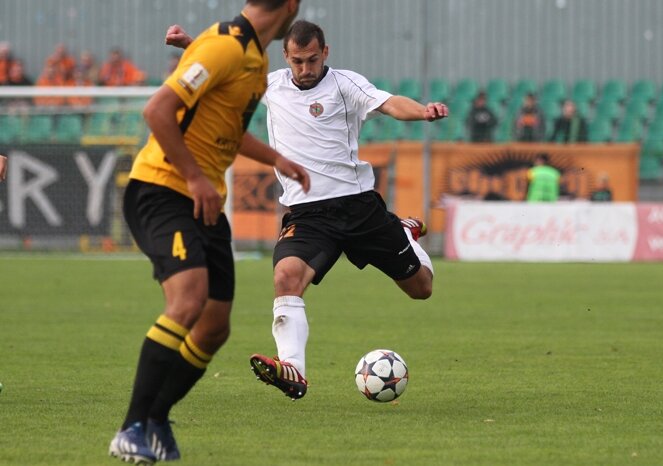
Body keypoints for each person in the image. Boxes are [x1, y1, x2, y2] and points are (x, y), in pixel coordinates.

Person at [167, 20, 446, 402]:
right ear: (286, 56)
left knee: (421, 289)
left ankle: (404, 233)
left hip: (358, 207)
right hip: (307, 215)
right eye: (298, 61)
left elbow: (390, 103)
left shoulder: (345, 85)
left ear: (325, 52)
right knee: (286, 276)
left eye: (312, 59)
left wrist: (423, 112)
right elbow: (223, 65)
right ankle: (293, 369)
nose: (305, 68)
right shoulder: (270, 85)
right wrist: (189, 43)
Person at [108, 1, 306, 464]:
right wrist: (195, 177)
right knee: (188, 300)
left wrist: (276, 159)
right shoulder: (225, 46)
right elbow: (158, 110)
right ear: (290, 6)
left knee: (215, 326)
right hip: (163, 188)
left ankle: (156, 419)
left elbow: (227, 131)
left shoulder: (253, 59)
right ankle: (131, 428)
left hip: (204, 200)